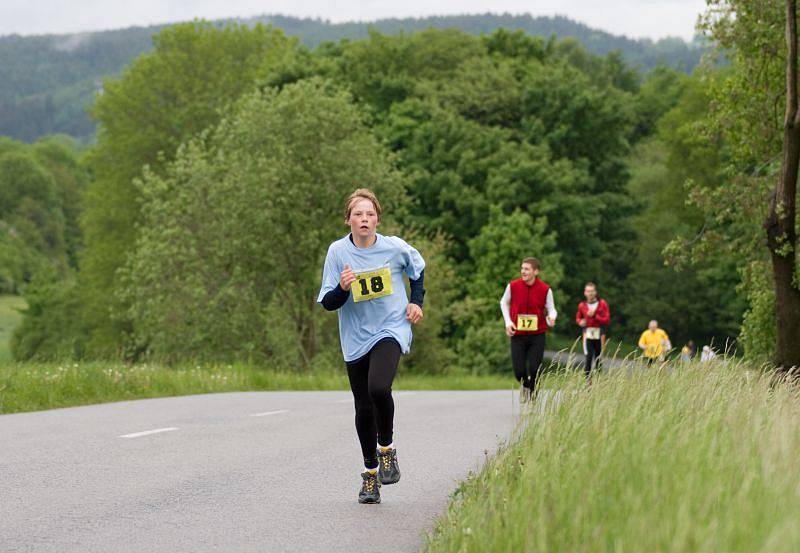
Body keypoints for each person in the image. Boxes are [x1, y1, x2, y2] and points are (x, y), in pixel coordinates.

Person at [317, 188, 426, 505]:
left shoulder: (394, 248)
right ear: (348, 220)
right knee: (363, 406)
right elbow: (328, 302)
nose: (364, 219)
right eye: (358, 214)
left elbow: (417, 271)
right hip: (355, 336)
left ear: (377, 218)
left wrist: (416, 302)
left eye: (370, 214)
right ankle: (369, 476)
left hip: (391, 326)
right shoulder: (338, 252)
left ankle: (387, 449)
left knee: (379, 388)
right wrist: (342, 287)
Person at [500, 257, 557, 402]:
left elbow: (552, 309)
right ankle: (526, 386)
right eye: (522, 268)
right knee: (519, 371)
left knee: (534, 368)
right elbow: (503, 302)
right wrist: (508, 322)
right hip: (517, 334)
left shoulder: (545, 289)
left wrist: (551, 317)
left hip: (537, 335)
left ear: (536, 271)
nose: (523, 271)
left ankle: (533, 393)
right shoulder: (513, 286)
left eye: (527, 269)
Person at [575, 282, 610, 378]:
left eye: (592, 291)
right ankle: (588, 383)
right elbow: (578, 318)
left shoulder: (602, 304)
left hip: (600, 333)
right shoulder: (582, 305)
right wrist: (580, 322)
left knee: (599, 358)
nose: (590, 293)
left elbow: (607, 319)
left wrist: (595, 316)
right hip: (587, 333)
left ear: (595, 292)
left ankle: (598, 382)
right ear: (585, 293)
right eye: (588, 291)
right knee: (588, 358)